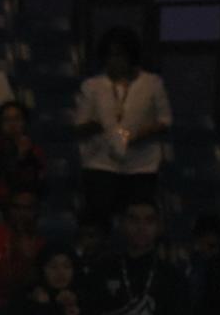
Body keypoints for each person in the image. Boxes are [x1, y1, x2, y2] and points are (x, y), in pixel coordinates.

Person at [73, 27, 172, 223]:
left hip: (141, 166)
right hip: (100, 164)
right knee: (100, 219)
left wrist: (139, 134)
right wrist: (102, 126)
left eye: (119, 55)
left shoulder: (152, 83)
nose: (114, 61)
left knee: (138, 219)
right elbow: (79, 126)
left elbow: (165, 120)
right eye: (109, 56)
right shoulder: (92, 86)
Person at [85, 197, 189, 315]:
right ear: (122, 224)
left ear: (159, 227)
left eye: (149, 221)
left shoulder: (171, 276)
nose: (141, 227)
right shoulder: (103, 270)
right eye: (134, 220)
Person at [4, 243, 90, 315]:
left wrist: (73, 314)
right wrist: (42, 307)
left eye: (67, 266)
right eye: (53, 267)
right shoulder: (26, 298)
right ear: (41, 269)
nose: (60, 272)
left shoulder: (83, 298)